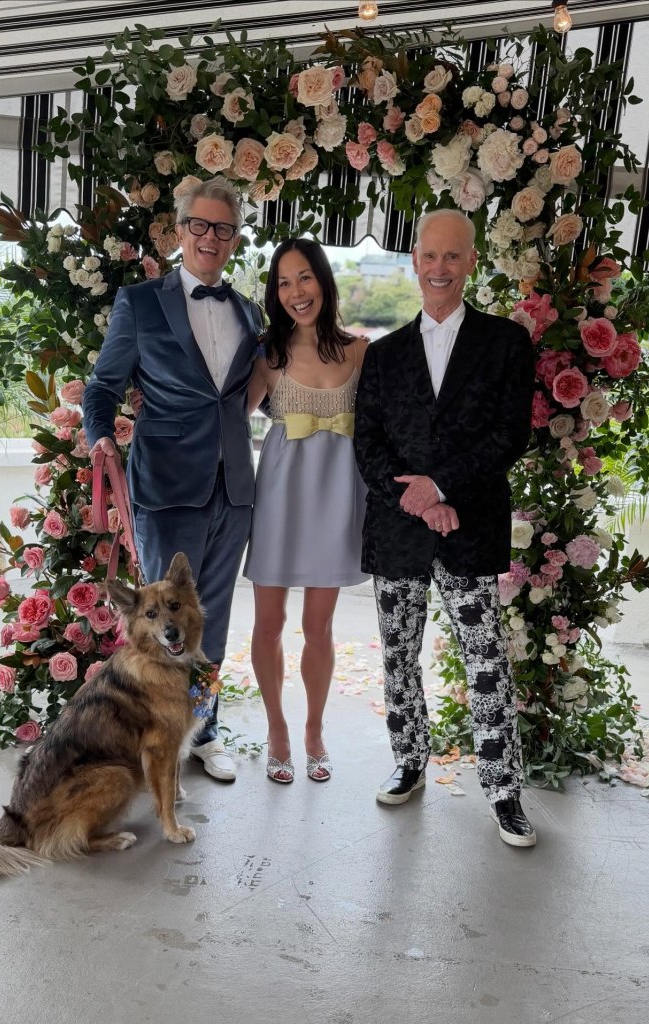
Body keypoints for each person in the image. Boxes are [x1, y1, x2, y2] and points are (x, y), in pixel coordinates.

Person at [353, 209, 537, 847]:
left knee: (485, 661)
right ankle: (409, 761)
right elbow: (368, 444)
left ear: (471, 262)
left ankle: (505, 792)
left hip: (469, 523)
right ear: (414, 260)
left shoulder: (508, 342)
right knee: (399, 658)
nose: (439, 268)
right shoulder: (382, 355)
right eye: (429, 256)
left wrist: (443, 486)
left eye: (452, 257)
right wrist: (420, 499)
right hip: (399, 530)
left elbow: (511, 433)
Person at [83, 175, 263, 783]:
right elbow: (103, 386)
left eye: (223, 228)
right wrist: (100, 435)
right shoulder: (139, 303)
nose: (211, 237)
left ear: (234, 239)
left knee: (211, 619)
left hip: (233, 489)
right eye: (200, 225)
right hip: (164, 488)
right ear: (180, 230)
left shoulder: (248, 309)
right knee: (160, 625)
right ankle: (152, 734)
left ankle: (203, 731)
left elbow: (248, 397)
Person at [245, 238, 368, 784]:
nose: (296, 292)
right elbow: (225, 420)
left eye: (305, 278)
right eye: (284, 282)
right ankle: (277, 728)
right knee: (268, 624)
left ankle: (314, 728)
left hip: (338, 499)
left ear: (323, 280)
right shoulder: (267, 356)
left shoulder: (362, 352)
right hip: (279, 500)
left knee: (319, 628)